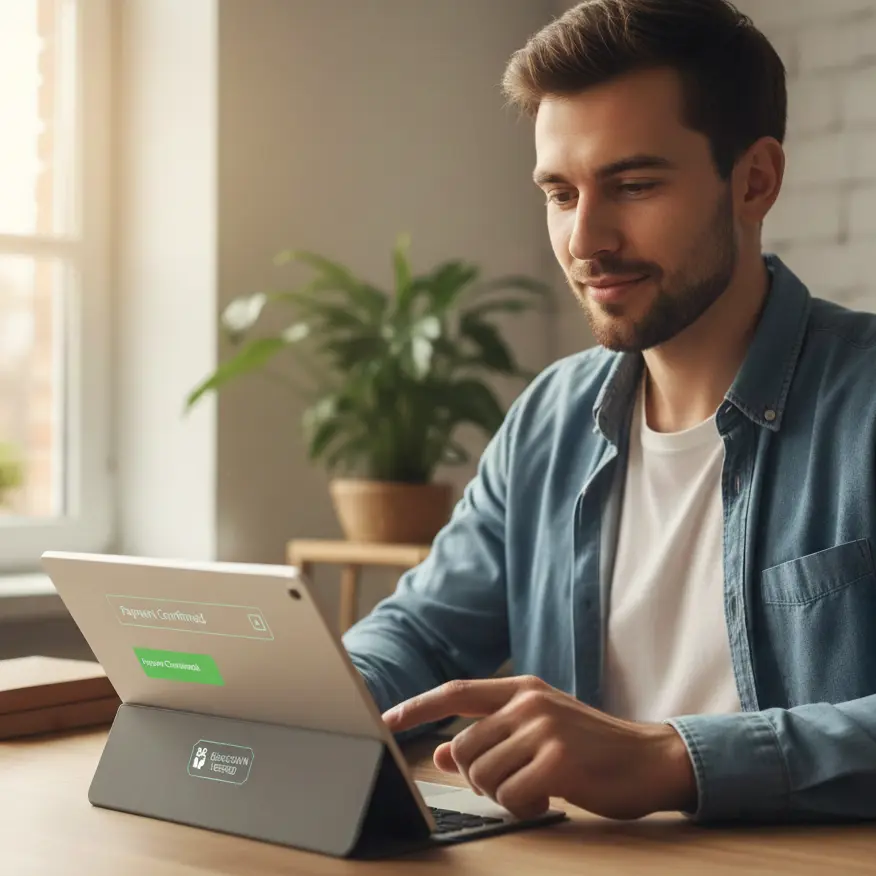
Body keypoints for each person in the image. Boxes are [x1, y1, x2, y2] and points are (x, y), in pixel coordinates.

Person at [343, 0, 876, 824]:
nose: (585, 239)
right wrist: (307, 693)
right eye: (560, 193)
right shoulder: (549, 417)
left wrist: (673, 758)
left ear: (755, 180)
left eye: (633, 185)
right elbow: (423, 635)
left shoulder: (865, 402)